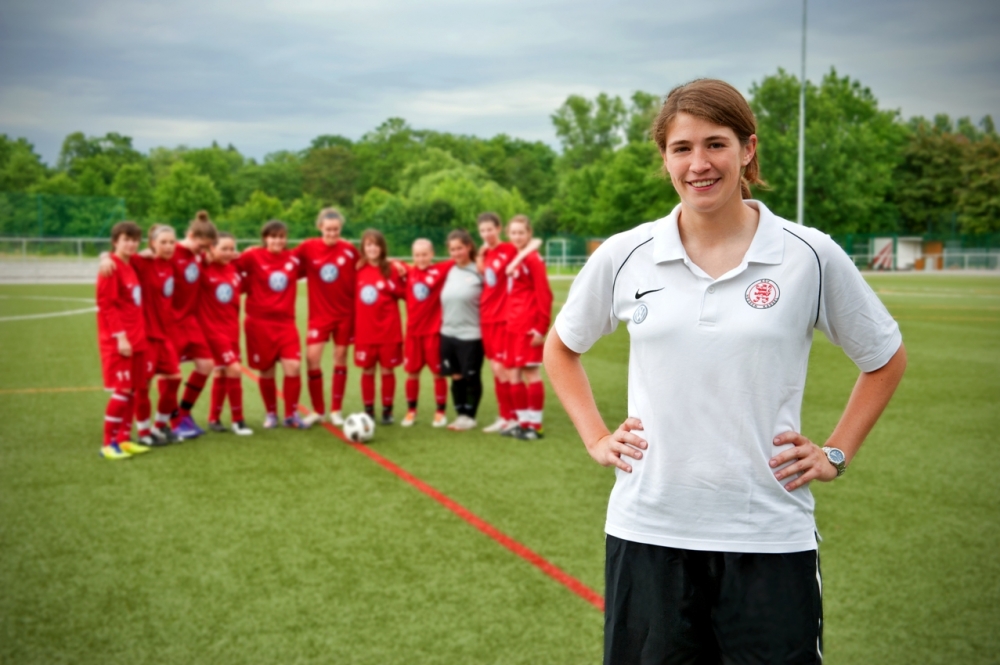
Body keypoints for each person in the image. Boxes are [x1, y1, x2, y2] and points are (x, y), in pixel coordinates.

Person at [544, 78, 907, 664]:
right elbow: (561, 349)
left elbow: (885, 357)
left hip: (768, 535)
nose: (699, 164)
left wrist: (835, 453)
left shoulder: (808, 254)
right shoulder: (624, 253)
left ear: (748, 149)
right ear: (664, 158)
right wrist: (595, 436)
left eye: (715, 144)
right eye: (681, 148)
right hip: (649, 531)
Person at [234, 220, 309, 429]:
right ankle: (271, 413)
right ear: (265, 238)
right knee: (266, 371)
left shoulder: (293, 258)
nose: (278, 240)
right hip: (259, 323)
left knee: (293, 367)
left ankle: (291, 414)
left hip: (286, 323)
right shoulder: (253, 256)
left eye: (282, 236)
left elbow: (314, 263)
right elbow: (230, 267)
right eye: (273, 236)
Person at [295, 208, 358, 427]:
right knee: (312, 358)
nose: (332, 234)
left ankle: (336, 410)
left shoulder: (350, 250)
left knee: (340, 357)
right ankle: (318, 410)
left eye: (336, 229)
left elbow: (368, 266)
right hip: (319, 315)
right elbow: (284, 259)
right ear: (320, 227)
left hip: (345, 314)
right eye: (328, 229)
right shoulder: (308, 247)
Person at [95, 221, 153, 459]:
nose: (130, 244)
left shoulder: (131, 264)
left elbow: (156, 250)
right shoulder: (111, 267)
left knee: (133, 390)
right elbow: (106, 305)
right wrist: (120, 338)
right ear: (115, 241)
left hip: (137, 337)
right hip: (120, 340)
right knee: (122, 390)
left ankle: (124, 440)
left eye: (134, 239)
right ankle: (108, 444)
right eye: (125, 239)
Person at [130, 224, 183, 446]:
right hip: (146, 335)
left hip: (165, 335)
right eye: (163, 242)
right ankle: (143, 433)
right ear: (152, 243)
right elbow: (116, 258)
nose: (169, 246)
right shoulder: (143, 262)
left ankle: (159, 428)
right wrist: (105, 256)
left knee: (174, 378)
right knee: (144, 385)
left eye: (172, 242)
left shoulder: (171, 263)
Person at [168, 211, 219, 438]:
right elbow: (139, 259)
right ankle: (169, 420)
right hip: (170, 322)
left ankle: (183, 413)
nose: (204, 251)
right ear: (190, 235)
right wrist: (105, 257)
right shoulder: (171, 251)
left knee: (206, 365)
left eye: (207, 247)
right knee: (171, 374)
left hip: (190, 321)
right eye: (201, 245)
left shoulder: (198, 256)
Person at [502, 215, 552, 440]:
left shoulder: (533, 260)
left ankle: (535, 425)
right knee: (513, 374)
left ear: (528, 234)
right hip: (512, 326)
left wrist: (541, 327)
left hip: (528, 326)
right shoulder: (515, 257)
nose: (517, 236)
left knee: (530, 373)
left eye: (521, 232)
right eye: (513, 232)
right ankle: (522, 423)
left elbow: (545, 295)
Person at [201, 232, 253, 435]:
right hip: (212, 330)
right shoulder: (203, 268)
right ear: (211, 249)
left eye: (232, 249)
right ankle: (238, 420)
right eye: (223, 248)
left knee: (222, 371)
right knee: (234, 369)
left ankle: (214, 418)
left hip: (232, 329)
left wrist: (241, 254)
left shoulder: (234, 269)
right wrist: (106, 256)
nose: (228, 253)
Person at [353, 229, 405, 425]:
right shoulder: (357, 269)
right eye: (368, 244)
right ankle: (368, 411)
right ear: (363, 248)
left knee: (387, 371)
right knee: (367, 371)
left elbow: (405, 293)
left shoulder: (392, 269)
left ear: (382, 247)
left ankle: (387, 411)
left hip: (388, 331)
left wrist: (396, 276)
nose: (372, 248)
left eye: (376, 244)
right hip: (365, 332)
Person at [400, 238, 454, 428]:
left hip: (433, 333)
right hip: (413, 334)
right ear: (412, 256)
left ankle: (440, 412)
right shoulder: (408, 273)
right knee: (412, 374)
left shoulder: (440, 270)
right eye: (417, 255)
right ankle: (411, 411)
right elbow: (391, 263)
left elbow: (458, 258)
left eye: (424, 254)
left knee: (438, 374)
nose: (421, 258)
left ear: (432, 254)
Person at [438, 230, 484, 431]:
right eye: (452, 249)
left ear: (468, 247)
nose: (456, 252)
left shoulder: (479, 270)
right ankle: (460, 415)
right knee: (455, 375)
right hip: (447, 333)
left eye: (460, 248)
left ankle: (471, 416)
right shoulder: (449, 269)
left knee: (471, 377)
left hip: (472, 334)